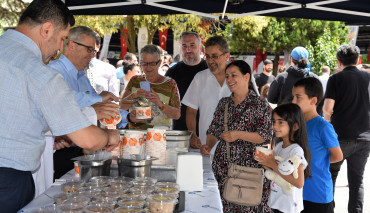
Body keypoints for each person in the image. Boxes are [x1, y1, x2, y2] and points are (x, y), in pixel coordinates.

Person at [0, 0, 119, 212]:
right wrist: (110, 137)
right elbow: (88, 139)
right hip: (9, 180)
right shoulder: (40, 73)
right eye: (62, 39)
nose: (59, 48)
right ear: (46, 29)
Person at [49, 26, 125, 179]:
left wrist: (128, 117)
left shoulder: (82, 76)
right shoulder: (53, 71)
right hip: (60, 152)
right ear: (71, 45)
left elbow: (98, 109)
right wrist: (99, 99)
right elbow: (67, 100)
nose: (92, 55)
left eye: (95, 51)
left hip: (82, 149)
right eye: (89, 49)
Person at [201, 60, 273, 212]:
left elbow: (265, 135)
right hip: (223, 168)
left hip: (249, 170)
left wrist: (237, 134)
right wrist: (208, 145)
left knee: (248, 206)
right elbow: (214, 130)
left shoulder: (260, 105)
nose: (229, 80)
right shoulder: (224, 103)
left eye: (234, 75)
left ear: (247, 77)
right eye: (227, 76)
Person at [323, 44, 370, 213]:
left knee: (331, 176)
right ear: (359, 60)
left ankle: (329, 210)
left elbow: (327, 109)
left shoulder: (336, 79)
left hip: (339, 137)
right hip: (365, 138)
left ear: (338, 61)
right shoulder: (368, 78)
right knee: (357, 181)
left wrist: (326, 125)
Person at [292, 77, 343, 213]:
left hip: (318, 194)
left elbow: (338, 155)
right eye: (293, 97)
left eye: (298, 97)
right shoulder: (295, 125)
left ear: (313, 100)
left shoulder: (323, 126)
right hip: (297, 192)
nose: (293, 101)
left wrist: (313, 162)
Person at [257, 103, 310, 213]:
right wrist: (267, 165)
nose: (275, 126)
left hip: (288, 207)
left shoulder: (296, 150)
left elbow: (299, 183)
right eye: (274, 121)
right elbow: (279, 173)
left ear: (295, 126)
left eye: (280, 122)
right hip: (277, 202)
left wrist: (273, 165)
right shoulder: (279, 146)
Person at [182, 36, 231, 149]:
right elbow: (191, 111)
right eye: (207, 56)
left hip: (234, 149)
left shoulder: (240, 77)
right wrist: (193, 135)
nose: (210, 61)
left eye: (215, 56)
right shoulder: (200, 78)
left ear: (227, 56)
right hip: (206, 147)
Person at [122, 44, 181, 129]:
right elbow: (121, 107)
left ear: (159, 63)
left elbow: (177, 115)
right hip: (136, 137)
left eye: (152, 63)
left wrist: (160, 103)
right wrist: (134, 96)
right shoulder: (135, 81)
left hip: (159, 137)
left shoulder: (170, 84)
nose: (148, 67)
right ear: (140, 63)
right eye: (144, 64)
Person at [165, 31, 208, 132]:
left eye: (192, 45)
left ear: (200, 47)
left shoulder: (209, 69)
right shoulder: (172, 72)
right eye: (184, 46)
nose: (188, 50)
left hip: (207, 130)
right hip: (180, 130)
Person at [87, 32, 119, 97]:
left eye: (90, 45)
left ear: (98, 47)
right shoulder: (73, 68)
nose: (87, 48)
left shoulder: (109, 69)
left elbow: (114, 97)